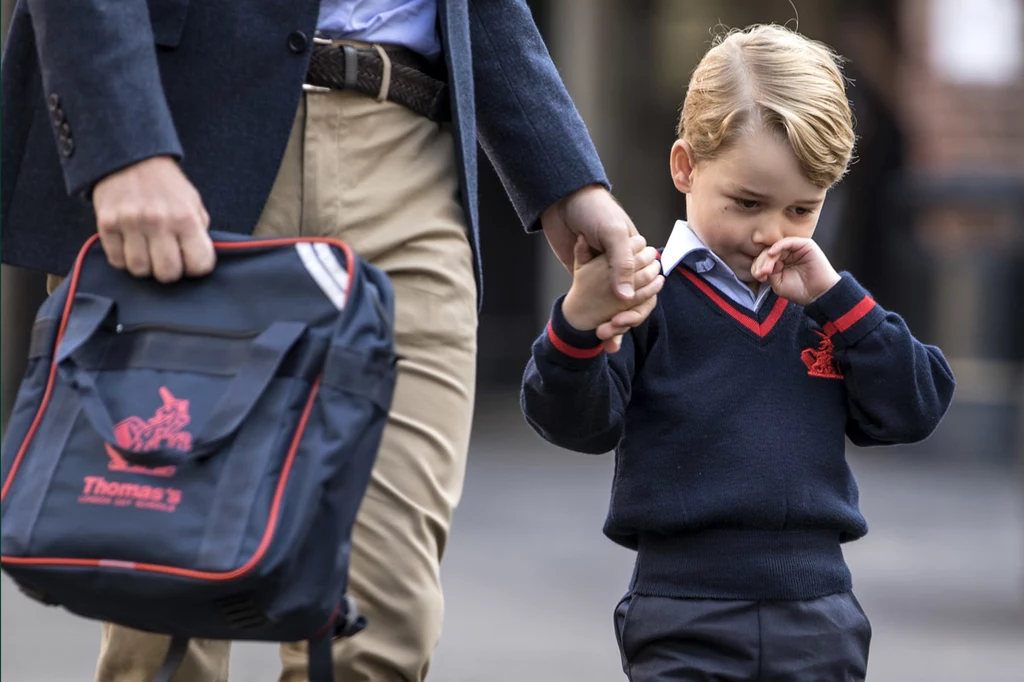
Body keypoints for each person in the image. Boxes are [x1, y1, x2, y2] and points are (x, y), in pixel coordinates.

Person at [0, 1, 662, 680]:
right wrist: (124, 143)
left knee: (380, 634)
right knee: (163, 633)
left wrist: (565, 178)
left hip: (405, 157)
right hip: (185, 143)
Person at [520, 24, 956, 681]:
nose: (770, 232)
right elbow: (576, 423)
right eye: (747, 202)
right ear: (685, 167)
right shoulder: (647, 295)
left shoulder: (828, 306)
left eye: (801, 210)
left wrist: (837, 301)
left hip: (818, 615)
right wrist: (581, 322)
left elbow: (915, 407)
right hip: (680, 610)